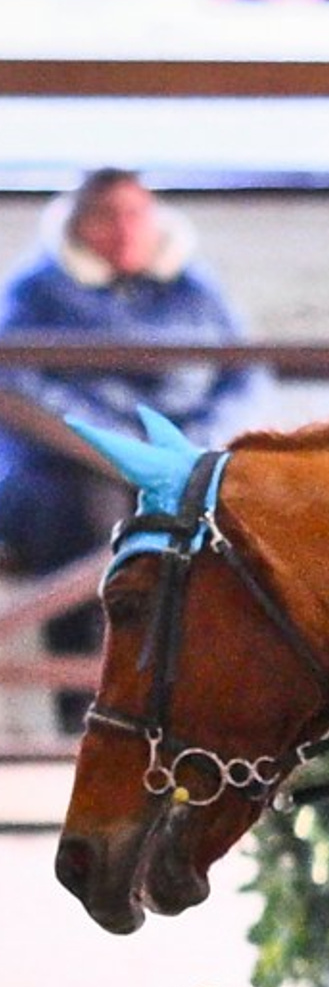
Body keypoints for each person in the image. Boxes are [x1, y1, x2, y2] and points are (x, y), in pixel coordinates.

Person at [0, 171, 264, 727]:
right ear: (76, 224)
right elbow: (25, 389)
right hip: (68, 469)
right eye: (105, 214)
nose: (123, 228)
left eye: (135, 214)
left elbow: (245, 380)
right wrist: (132, 453)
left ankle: (200, 716)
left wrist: (195, 448)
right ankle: (94, 715)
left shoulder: (198, 293)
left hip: (185, 458)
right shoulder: (35, 295)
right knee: (97, 518)